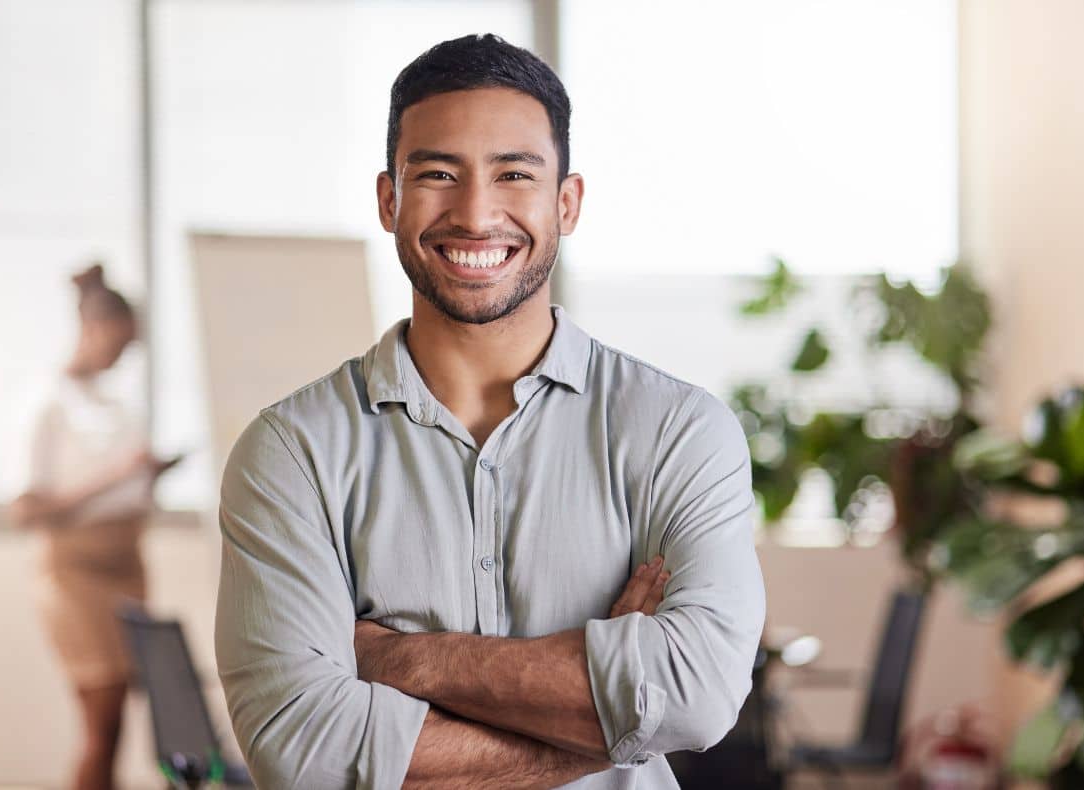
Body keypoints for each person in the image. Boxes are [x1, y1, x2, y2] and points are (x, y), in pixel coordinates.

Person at [214, 34, 765, 789]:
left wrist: (396, 659)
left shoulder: (676, 431)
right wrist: (616, 723)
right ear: (389, 200)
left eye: (514, 174)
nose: (476, 215)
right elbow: (304, 753)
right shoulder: (292, 451)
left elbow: (699, 694)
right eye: (439, 173)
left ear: (566, 203)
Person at [11, 264, 180, 790]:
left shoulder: (113, 401)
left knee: (124, 721)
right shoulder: (46, 402)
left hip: (127, 566)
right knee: (100, 724)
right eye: (120, 343)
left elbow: (123, 487)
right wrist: (116, 476)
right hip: (76, 577)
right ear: (94, 327)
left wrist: (147, 477)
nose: (122, 356)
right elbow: (26, 509)